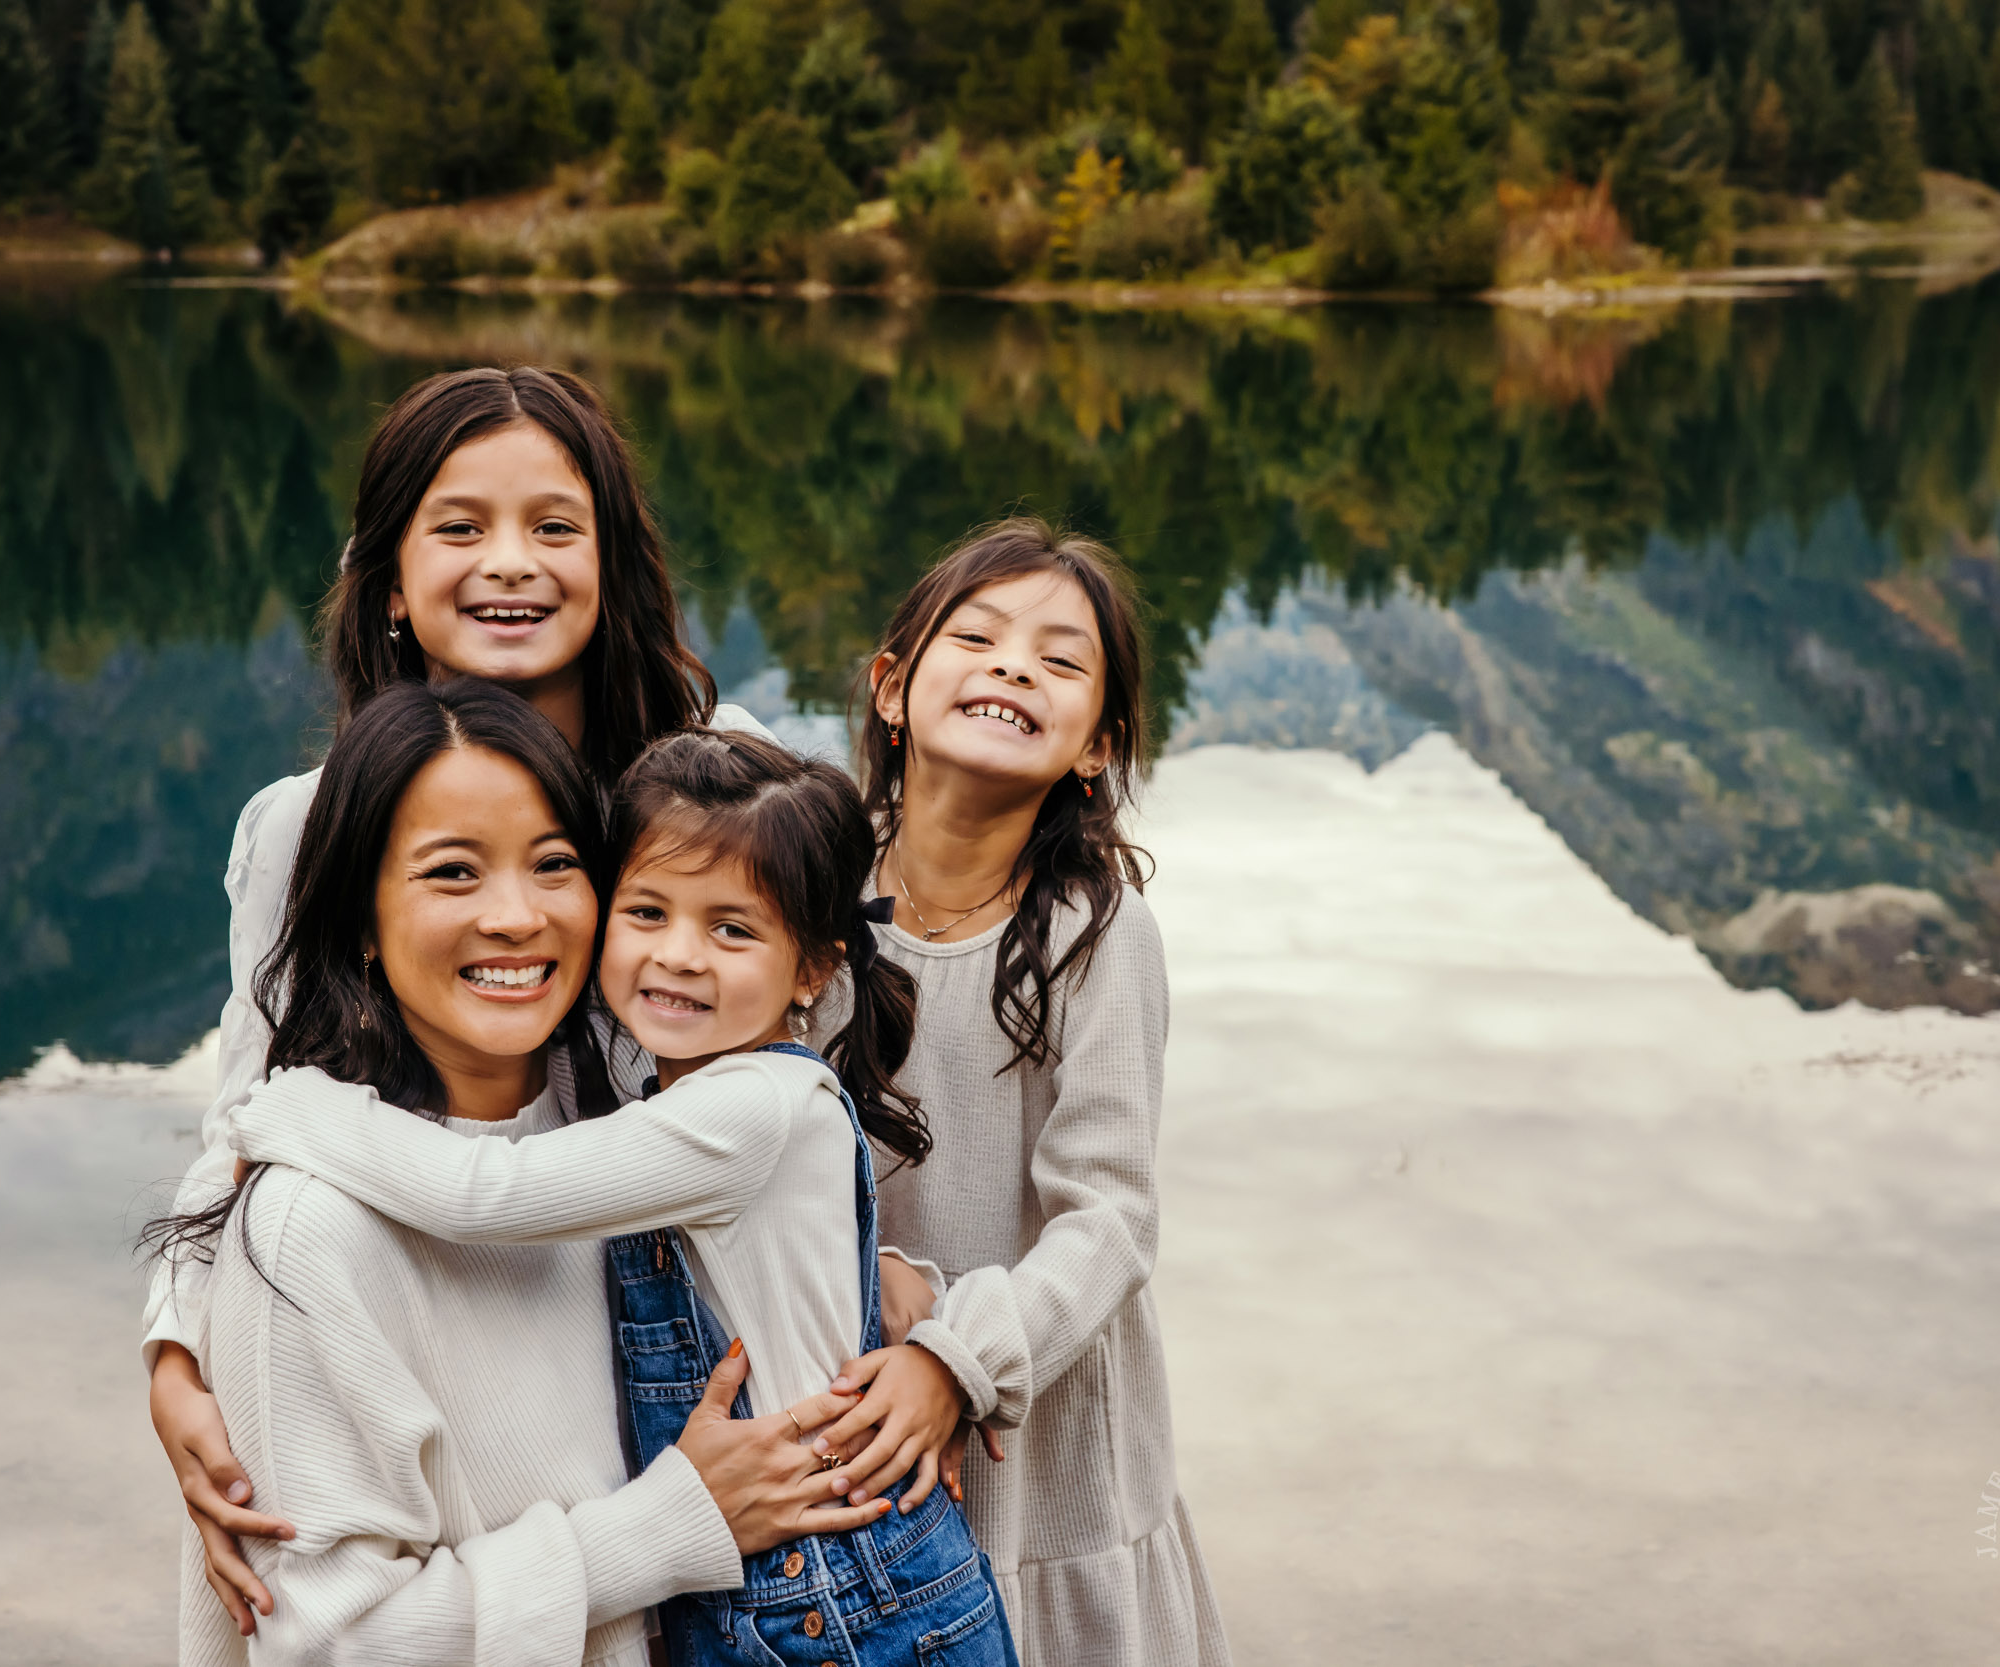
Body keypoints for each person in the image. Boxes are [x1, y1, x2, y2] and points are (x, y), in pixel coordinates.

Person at [145, 365, 783, 1634]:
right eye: (459, 525)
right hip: (415, 1346)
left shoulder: (721, 794)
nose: (512, 563)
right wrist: (173, 1352)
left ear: (615, 564)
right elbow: (250, 1114)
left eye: (555, 526)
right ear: (387, 576)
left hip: (668, 1368)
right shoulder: (304, 825)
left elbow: (815, 1076)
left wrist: (896, 1281)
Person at [220, 726, 1017, 1666]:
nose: (679, 955)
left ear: (812, 969)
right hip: (774, 1592)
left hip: (839, 1593)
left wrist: (286, 1111)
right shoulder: (656, 1105)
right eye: (647, 912)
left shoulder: (746, 1106)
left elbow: (487, 1192)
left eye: (732, 928)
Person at [836, 519, 1234, 1664]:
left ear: (1095, 747)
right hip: (859, 1382)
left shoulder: (1092, 933)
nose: (1014, 665)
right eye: (978, 637)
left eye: (1060, 660)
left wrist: (955, 1362)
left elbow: (1108, 1218)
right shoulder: (809, 889)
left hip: (1039, 1416)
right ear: (892, 686)